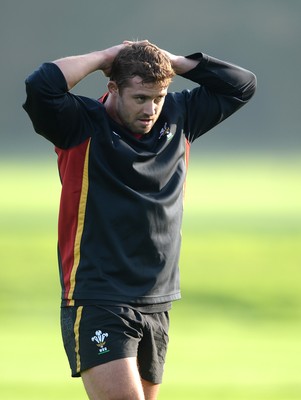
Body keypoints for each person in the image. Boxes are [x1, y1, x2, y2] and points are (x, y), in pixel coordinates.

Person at [23, 40, 256, 400]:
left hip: (157, 298)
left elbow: (242, 84)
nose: (151, 109)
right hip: (99, 295)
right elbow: (41, 85)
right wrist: (104, 57)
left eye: (159, 97)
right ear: (113, 87)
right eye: (140, 98)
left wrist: (174, 61)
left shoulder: (180, 116)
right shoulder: (79, 123)